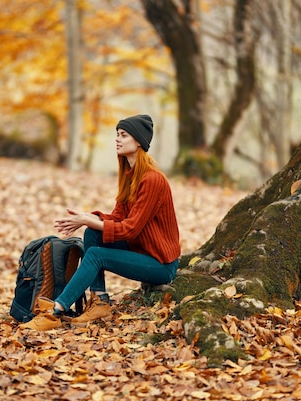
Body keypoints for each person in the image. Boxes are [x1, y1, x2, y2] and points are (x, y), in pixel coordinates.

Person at [20, 114, 181, 331]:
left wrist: (89, 219)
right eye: (117, 134)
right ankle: (100, 301)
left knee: (96, 254)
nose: (117, 139)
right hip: (141, 250)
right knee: (92, 234)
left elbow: (130, 229)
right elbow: (117, 218)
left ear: (139, 141)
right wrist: (89, 218)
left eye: (123, 135)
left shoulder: (152, 179)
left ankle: (55, 310)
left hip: (160, 263)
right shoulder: (130, 175)